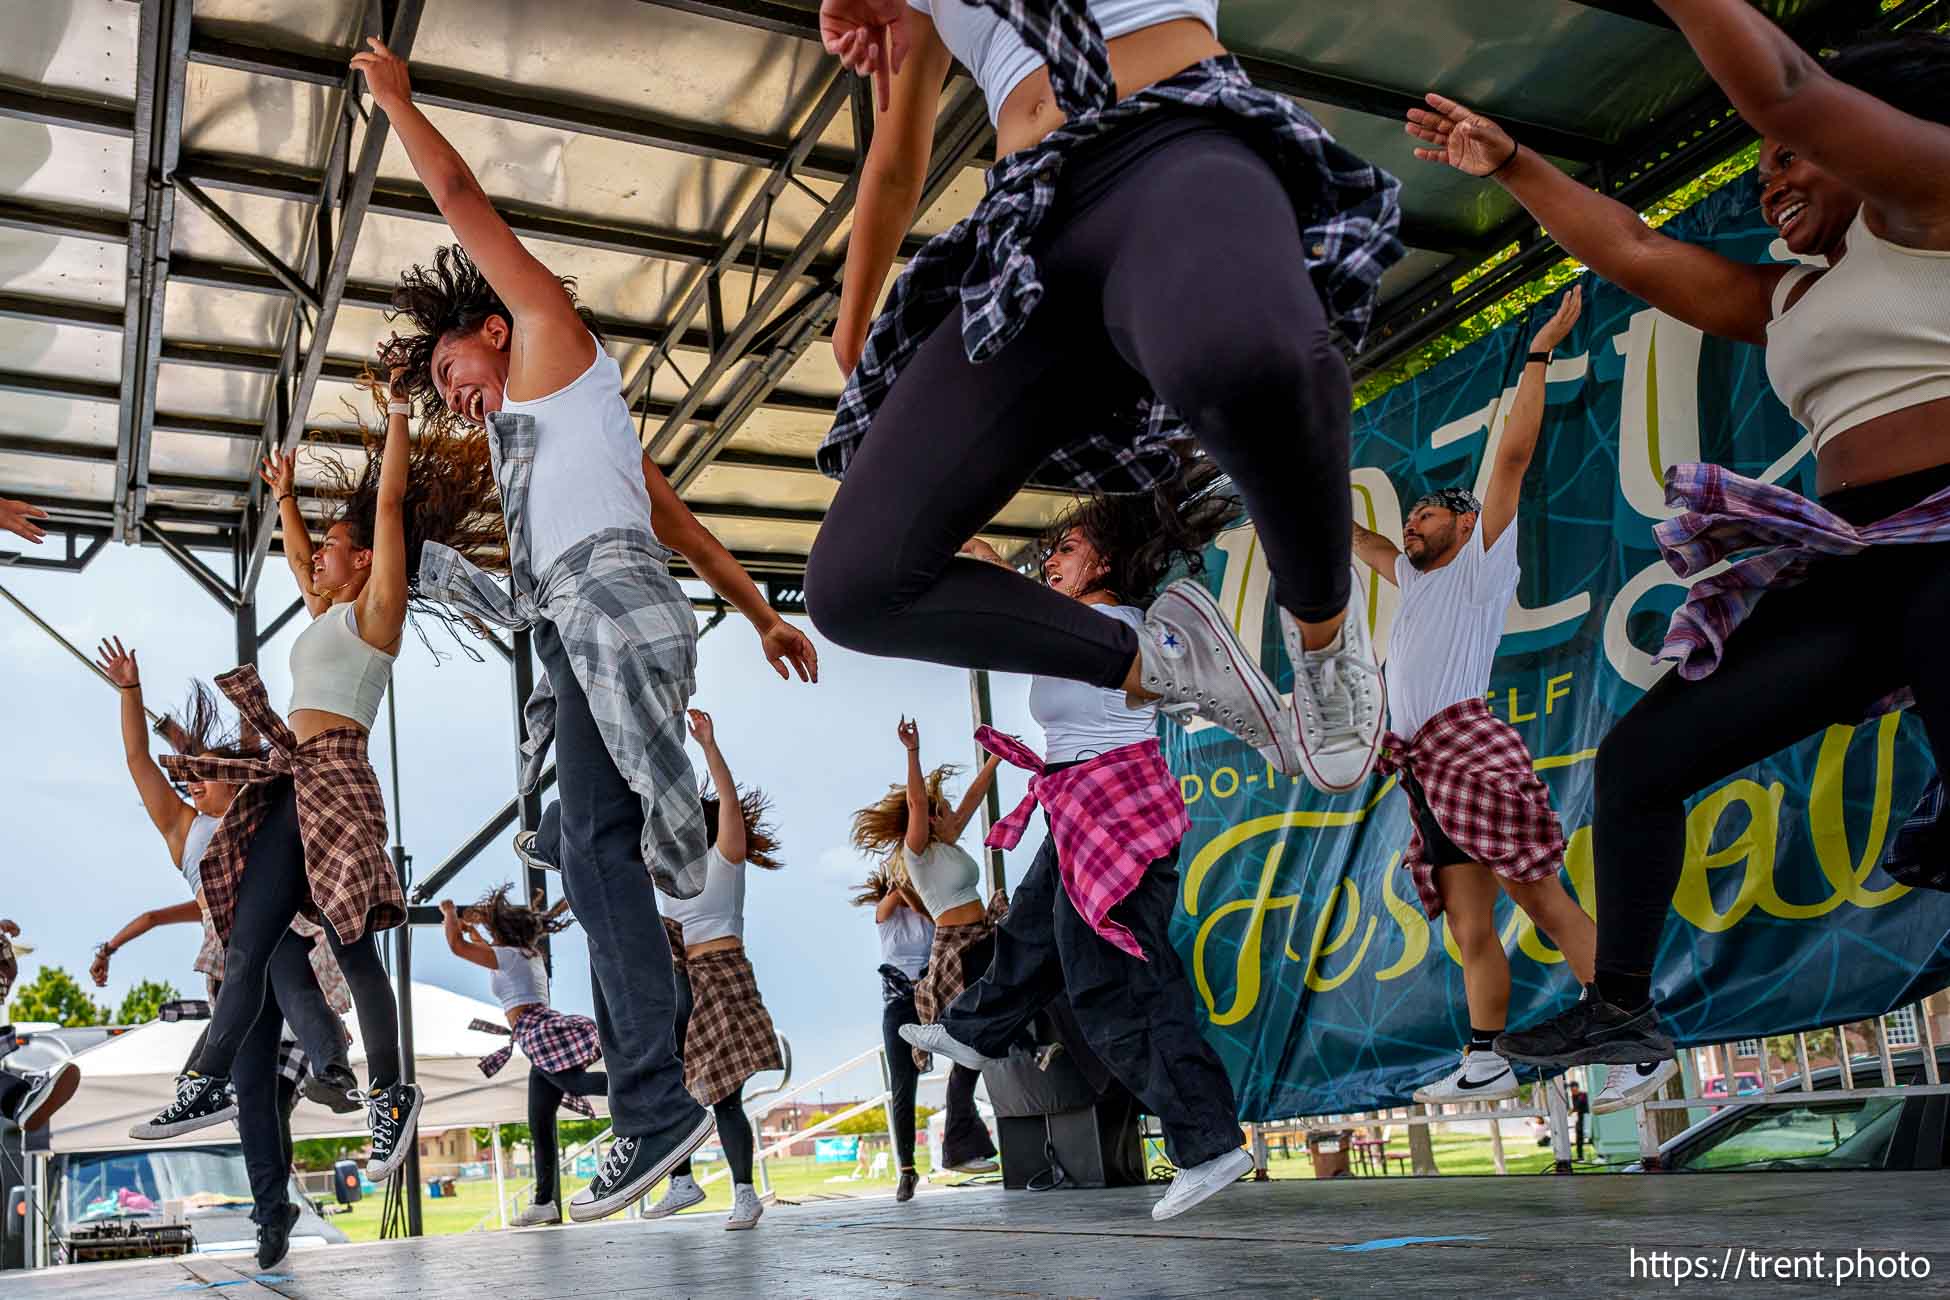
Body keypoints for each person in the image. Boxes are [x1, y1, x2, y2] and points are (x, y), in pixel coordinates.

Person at [1411, 12, 1950, 1081]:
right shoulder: (1786, 294)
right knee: (1642, 759)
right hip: (1864, 558)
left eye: (1788, 159)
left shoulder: (1929, 206)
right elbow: (1634, 247)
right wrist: (1514, 160)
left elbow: (1789, 89)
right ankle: (1620, 1009)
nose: (1768, 179)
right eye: (1757, 170)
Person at [347, 37, 819, 1223]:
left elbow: (460, 201)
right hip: (581, 620)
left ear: (496, 330)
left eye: (455, 367)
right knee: (580, 840)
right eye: (444, 392)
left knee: (600, 845)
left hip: (603, 614)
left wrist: (400, 105)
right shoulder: (574, 436)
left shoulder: (548, 338)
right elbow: (685, 522)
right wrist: (760, 610)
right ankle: (655, 1121)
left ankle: (656, 1109)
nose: (458, 394)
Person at [805, 0, 1405, 795]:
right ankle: (1161, 665)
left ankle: (1326, 642)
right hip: (1029, 227)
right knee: (855, 589)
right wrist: (853, 329)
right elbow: (894, 155)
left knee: (1245, 359)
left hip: (1169, 145)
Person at [137, 367, 430, 1273]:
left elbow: (387, 504)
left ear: (369, 562)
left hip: (334, 778)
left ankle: (386, 1095)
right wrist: (288, 500)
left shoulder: (379, 611)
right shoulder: (324, 611)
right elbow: (306, 562)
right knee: (254, 939)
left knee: (347, 946)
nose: (318, 561)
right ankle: (209, 1076)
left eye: (334, 550)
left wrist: (394, 414)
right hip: (289, 781)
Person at [906, 470, 1254, 1221]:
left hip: (1116, 813)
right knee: (1030, 929)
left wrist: (990, 563)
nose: (1051, 560)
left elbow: (1022, 607)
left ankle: (1209, 1143)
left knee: (1119, 989)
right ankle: (973, 1030)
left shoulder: (1118, 626)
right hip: (1079, 807)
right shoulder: (1076, 621)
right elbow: (1015, 612)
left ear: (1103, 561)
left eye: (1067, 547)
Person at [1343, 291, 1612, 1107]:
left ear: (1465, 526)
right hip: (1424, 768)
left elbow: (1512, 459)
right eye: (1412, 514)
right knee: (1468, 924)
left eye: (1428, 511)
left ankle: (1630, 1033)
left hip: (1468, 749)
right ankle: (1486, 1057)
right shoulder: (1413, 580)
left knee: (1541, 895)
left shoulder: (1481, 561)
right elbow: (1351, 536)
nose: (1414, 519)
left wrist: (1537, 353)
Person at [514, 712, 787, 1230]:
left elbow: (727, 801)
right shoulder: (666, 875)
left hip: (722, 978)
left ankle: (745, 1192)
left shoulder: (725, 857)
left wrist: (708, 744)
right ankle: (681, 1180)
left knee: (725, 1092)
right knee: (667, 1080)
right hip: (681, 980)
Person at [90, 654, 359, 1119]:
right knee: (243, 1000)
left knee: (296, 984)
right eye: (191, 776)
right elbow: (138, 761)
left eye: (207, 775)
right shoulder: (184, 828)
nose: (194, 783)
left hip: (284, 921)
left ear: (237, 784)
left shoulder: (262, 816)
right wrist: (130, 694)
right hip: (235, 940)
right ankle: (197, 1087)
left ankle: (334, 1073)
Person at [852, 722, 1003, 1173]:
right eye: (939, 810)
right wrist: (913, 751)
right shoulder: (916, 853)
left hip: (981, 935)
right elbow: (917, 801)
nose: (947, 813)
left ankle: (1027, 1046)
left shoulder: (948, 843)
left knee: (993, 1021)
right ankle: (956, 1143)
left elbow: (974, 800)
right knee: (976, 1035)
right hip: (958, 948)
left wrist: (997, 758)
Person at [440, 887, 601, 1229]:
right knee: (540, 1121)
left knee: (574, 1083)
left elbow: (455, 948)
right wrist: (476, 931)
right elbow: (485, 950)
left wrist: (449, 913)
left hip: (534, 1029)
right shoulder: (525, 954)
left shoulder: (511, 956)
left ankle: (638, 1084)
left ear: (503, 931)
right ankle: (544, 1203)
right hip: (535, 1030)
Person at [852, 867, 935, 1203]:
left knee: (971, 1037)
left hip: (931, 997)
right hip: (899, 1005)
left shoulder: (927, 911)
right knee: (903, 1087)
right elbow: (896, 902)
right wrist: (903, 881)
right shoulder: (884, 916)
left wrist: (913, 885)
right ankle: (907, 1170)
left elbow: (921, 909)